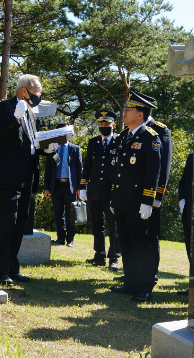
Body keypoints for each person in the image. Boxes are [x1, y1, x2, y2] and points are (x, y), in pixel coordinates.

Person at [0, 74, 47, 286]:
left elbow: (31, 143)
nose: (39, 96)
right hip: (8, 175)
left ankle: (12, 268)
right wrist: (15, 118)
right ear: (24, 90)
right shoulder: (4, 107)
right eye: (37, 91)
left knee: (21, 223)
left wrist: (47, 148)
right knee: (8, 222)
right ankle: (0, 271)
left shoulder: (31, 113)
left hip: (27, 175)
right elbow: (0, 137)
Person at [109, 90, 162, 302]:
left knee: (141, 244)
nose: (124, 112)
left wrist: (148, 201)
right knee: (126, 243)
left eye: (129, 109)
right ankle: (131, 282)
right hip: (122, 200)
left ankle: (145, 285)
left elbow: (153, 172)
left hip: (139, 203)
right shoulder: (124, 136)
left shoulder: (150, 138)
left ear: (140, 114)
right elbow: (118, 171)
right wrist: (114, 197)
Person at [136, 90, 174, 284]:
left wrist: (156, 196)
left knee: (151, 235)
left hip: (150, 195)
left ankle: (152, 273)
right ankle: (135, 273)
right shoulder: (132, 130)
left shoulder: (160, 130)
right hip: (133, 195)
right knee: (135, 236)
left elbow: (164, 166)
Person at [81, 109, 121, 270]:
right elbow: (87, 166)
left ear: (113, 125)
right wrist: (82, 186)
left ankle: (114, 258)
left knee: (114, 226)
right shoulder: (93, 142)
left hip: (112, 191)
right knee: (97, 225)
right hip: (94, 190)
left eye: (107, 124)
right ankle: (99, 255)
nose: (104, 126)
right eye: (101, 124)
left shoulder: (119, 142)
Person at [44, 122, 82, 247]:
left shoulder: (75, 149)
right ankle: (60, 238)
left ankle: (70, 239)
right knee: (58, 213)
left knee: (71, 214)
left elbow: (79, 169)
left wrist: (79, 188)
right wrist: (47, 188)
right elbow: (48, 170)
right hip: (56, 185)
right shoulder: (52, 149)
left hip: (70, 186)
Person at [177, 152, 194, 296]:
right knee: (191, 249)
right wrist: (181, 199)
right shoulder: (192, 156)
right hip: (189, 212)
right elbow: (183, 181)